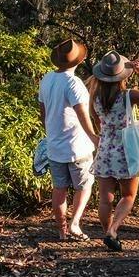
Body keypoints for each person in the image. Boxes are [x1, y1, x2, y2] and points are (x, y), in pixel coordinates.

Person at [89, 51, 139, 251]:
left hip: (105, 149)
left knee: (105, 198)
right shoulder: (127, 95)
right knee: (128, 196)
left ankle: (108, 234)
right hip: (125, 150)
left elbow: (98, 123)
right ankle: (112, 230)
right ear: (121, 75)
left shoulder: (95, 97)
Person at [38, 40, 98, 242]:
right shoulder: (74, 83)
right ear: (79, 61)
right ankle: (75, 223)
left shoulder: (46, 79)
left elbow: (43, 112)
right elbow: (82, 114)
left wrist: (50, 133)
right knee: (84, 185)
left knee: (59, 188)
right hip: (77, 145)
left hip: (55, 146)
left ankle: (62, 231)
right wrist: (94, 138)